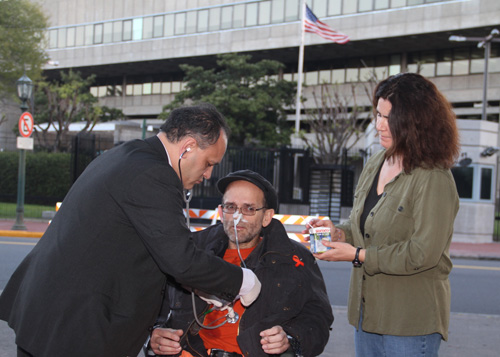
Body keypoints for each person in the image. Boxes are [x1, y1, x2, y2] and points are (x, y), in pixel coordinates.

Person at [0, 104, 261, 357]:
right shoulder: (154, 175)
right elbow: (180, 260)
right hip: (75, 327)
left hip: (51, 314)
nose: (208, 174)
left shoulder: (127, 155)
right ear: (188, 146)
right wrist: (243, 281)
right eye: (208, 163)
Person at [306, 73, 460, 356]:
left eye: (389, 118)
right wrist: (339, 233)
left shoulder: (433, 177)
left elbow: (422, 253)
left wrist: (356, 255)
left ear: (416, 122)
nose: (379, 125)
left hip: (409, 322)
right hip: (367, 315)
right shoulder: (377, 161)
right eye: (377, 114)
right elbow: (363, 226)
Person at [147, 170, 333, 357]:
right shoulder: (192, 250)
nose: (238, 216)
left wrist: (291, 339)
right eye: (230, 207)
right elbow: (155, 305)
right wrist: (156, 333)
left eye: (249, 208)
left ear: (267, 217)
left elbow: (318, 318)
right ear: (220, 212)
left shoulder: (294, 258)